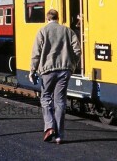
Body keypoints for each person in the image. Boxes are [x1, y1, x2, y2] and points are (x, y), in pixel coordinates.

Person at [29, 9, 81, 144]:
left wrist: (32, 70)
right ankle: (59, 135)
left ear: (47, 19)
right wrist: (72, 65)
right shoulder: (67, 31)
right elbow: (77, 50)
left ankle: (50, 126)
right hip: (64, 70)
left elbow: (36, 53)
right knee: (60, 101)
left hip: (47, 71)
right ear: (58, 18)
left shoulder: (42, 31)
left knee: (46, 98)